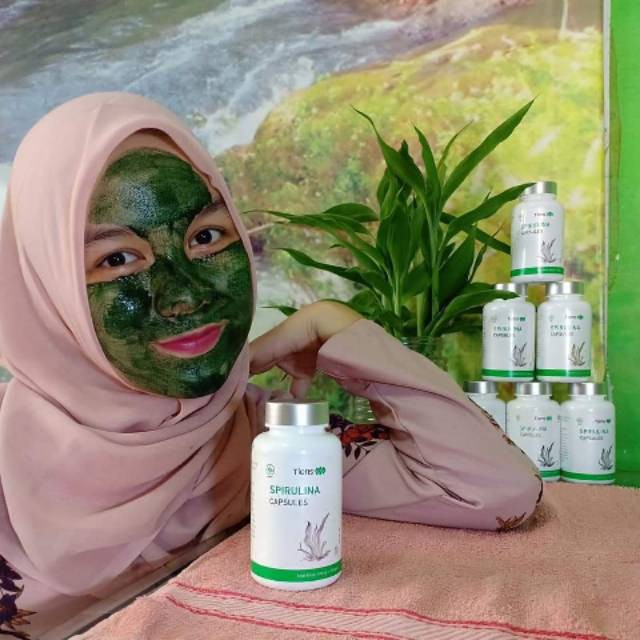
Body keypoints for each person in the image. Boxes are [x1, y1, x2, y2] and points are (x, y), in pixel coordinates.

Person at [0, 93, 542, 638]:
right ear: (46, 293)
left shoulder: (267, 449)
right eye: (117, 258)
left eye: (205, 236)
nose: (185, 295)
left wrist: (337, 328)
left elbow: (496, 490)